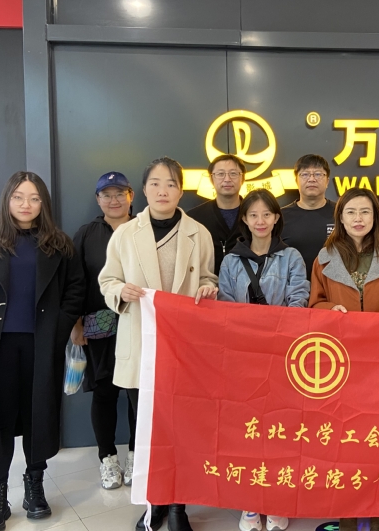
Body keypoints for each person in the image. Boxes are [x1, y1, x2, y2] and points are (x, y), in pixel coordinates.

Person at [0, 171, 84, 531]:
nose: (26, 204)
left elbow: (75, 289)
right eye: (19, 197)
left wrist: (58, 329)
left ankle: (34, 486)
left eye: (34, 198)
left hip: (41, 344)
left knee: (39, 413)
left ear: (44, 203)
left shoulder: (59, 244)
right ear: (7, 200)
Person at [99, 157, 218, 531]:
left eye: (170, 184)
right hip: (142, 343)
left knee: (181, 429)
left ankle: (179, 506)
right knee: (148, 431)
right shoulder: (125, 234)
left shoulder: (199, 233)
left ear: (181, 190)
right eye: (155, 183)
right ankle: (156, 503)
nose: (162, 191)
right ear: (143, 190)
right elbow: (107, 280)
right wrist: (120, 291)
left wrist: (208, 288)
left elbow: (209, 277)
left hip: (184, 347)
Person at [308, 187, 379, 531]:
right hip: (340, 362)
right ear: (340, 218)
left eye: (365, 212)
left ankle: (378, 509)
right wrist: (331, 309)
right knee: (343, 436)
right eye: (351, 212)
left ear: (375, 217)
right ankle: (347, 511)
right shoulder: (324, 258)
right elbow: (313, 304)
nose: (358, 219)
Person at [217, 188, 310, 531]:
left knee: (281, 430)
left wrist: (277, 334)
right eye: (253, 215)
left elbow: (299, 298)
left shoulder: (291, 257)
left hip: (284, 354)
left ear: (276, 218)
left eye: (266, 214)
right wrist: (250, 336)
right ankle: (251, 503)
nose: (260, 221)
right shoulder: (230, 261)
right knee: (247, 430)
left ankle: (277, 499)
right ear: (244, 219)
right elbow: (225, 306)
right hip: (243, 357)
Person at [71, 172, 138, 490]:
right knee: (104, 391)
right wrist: (75, 324)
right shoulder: (86, 234)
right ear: (98, 200)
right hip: (99, 325)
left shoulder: (145, 228)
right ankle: (108, 458)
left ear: (131, 196)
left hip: (139, 322)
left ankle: (137, 455)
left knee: (138, 392)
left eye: (119, 193)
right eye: (106, 195)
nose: (114, 200)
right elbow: (74, 282)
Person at [187, 154, 246, 275]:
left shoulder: (254, 215)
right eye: (220, 174)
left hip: (247, 284)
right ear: (211, 179)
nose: (227, 179)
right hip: (207, 284)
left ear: (242, 178)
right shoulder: (194, 217)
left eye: (233, 173)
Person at [281, 154, 336, 271]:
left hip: (333, 282)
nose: (312, 179)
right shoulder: (280, 217)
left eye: (318, 174)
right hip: (292, 282)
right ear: (296, 181)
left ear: (327, 181)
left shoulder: (341, 213)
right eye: (305, 174)